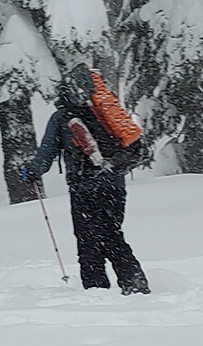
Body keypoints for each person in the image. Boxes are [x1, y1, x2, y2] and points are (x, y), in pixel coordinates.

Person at [23, 64, 150, 294]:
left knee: (87, 239)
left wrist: (32, 171)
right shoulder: (102, 113)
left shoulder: (62, 118)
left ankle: (96, 288)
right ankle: (132, 279)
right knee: (111, 233)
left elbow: (46, 154)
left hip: (84, 188)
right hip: (114, 186)